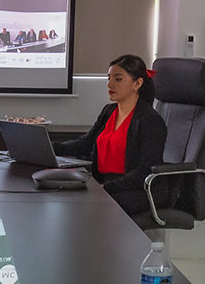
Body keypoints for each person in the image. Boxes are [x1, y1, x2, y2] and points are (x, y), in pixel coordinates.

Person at [54, 54, 167, 216]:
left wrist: (106, 188)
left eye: (118, 79)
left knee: (85, 206)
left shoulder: (151, 121)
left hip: (136, 190)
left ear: (137, 83)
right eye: (109, 78)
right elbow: (85, 144)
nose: (110, 84)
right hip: (106, 184)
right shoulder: (109, 111)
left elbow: (144, 170)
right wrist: (50, 147)